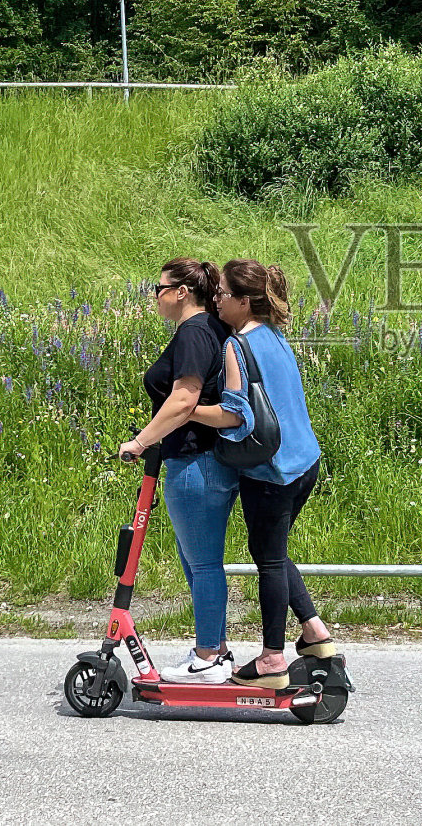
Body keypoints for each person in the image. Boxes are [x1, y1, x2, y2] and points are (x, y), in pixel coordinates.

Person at [187, 258, 334, 690]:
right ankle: (313, 631)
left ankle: (273, 659)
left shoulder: (237, 345)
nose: (216, 300)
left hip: (272, 471)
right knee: (273, 548)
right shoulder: (275, 335)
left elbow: (235, 416)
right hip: (305, 462)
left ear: (245, 301)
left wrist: (186, 412)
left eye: (223, 295)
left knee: (269, 558)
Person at [117, 258, 237, 684]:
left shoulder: (194, 332)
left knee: (203, 564)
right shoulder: (213, 330)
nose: (156, 295)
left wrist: (141, 441)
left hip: (196, 461)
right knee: (197, 563)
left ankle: (208, 658)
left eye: (160, 287)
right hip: (204, 460)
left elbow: (183, 400)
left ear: (182, 291)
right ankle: (216, 651)